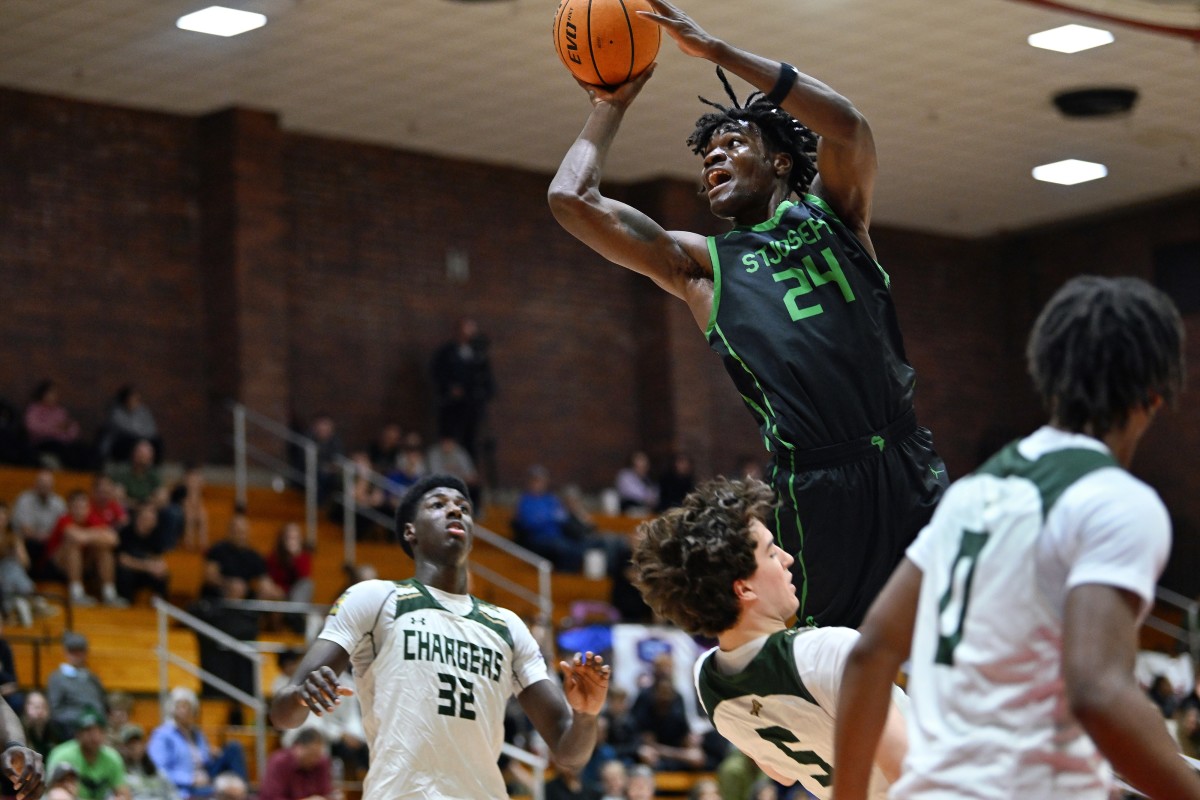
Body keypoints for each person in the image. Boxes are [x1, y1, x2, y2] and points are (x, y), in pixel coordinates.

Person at [549, 0, 945, 628]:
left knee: (956, 645)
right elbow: (571, 199)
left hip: (905, 458)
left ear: (781, 161)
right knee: (826, 662)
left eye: (733, 144)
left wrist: (720, 53)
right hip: (818, 484)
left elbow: (848, 127)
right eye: (706, 156)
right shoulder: (703, 266)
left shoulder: (836, 214)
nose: (713, 159)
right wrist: (609, 106)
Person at [832, 276, 1200, 800]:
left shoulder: (973, 492)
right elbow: (1098, 692)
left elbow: (871, 652)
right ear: (1157, 394)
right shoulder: (1116, 501)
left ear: (1047, 375)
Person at [268, 474, 611, 800]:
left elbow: (570, 753)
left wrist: (586, 715)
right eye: (438, 504)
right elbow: (282, 713)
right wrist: (301, 696)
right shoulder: (373, 599)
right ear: (410, 532)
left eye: (463, 506)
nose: (455, 509)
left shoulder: (507, 625)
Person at [631, 478, 905, 798]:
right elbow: (910, 773)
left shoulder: (708, 683)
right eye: (772, 552)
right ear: (744, 588)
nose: (788, 558)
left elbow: (781, 773)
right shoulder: (827, 653)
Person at [146, 687, 247, 799]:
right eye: (180, 706)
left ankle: (241, 789)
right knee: (226, 793)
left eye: (188, 706)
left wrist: (212, 753)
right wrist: (190, 779)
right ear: (172, 709)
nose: (184, 710)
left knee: (234, 748)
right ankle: (233, 792)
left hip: (205, 774)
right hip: (187, 786)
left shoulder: (197, 733)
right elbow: (158, 770)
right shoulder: (162, 735)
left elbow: (202, 758)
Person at [430, 317, 495, 462]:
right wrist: (450, 389)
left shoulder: (479, 356)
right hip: (452, 408)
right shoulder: (446, 352)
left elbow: (487, 382)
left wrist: (481, 394)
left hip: (472, 409)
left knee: (470, 443)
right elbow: (437, 374)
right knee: (449, 443)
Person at [47, 491, 124, 608]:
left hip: (84, 565)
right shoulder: (64, 520)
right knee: (73, 545)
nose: (80, 510)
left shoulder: (92, 519)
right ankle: (76, 593)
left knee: (104, 549)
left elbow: (114, 539)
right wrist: (98, 534)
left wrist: (88, 535)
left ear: (89, 508)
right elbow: (76, 537)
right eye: (76, 507)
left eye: (83, 507)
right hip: (57, 566)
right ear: (69, 508)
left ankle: (109, 594)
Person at [45, 708, 128, 800]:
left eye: (99, 731)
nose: (94, 736)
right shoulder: (62, 755)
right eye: (88, 730)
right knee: (59, 795)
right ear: (77, 734)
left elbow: (123, 792)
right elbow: (52, 790)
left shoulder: (112, 757)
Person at [47, 633, 109, 734]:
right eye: (72, 651)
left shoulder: (92, 678)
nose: (77, 656)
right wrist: (82, 718)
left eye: (80, 651)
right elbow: (56, 710)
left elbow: (102, 704)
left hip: (97, 725)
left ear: (85, 653)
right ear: (66, 652)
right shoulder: (57, 678)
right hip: (72, 727)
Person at [11, 469, 66, 573]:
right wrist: (45, 537)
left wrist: (51, 538)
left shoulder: (58, 503)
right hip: (28, 543)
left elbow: (63, 527)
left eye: (48, 484)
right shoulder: (24, 500)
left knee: (64, 546)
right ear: (35, 484)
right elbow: (25, 530)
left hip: (50, 544)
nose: (45, 487)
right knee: (31, 545)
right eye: (42, 483)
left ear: (52, 486)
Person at [258, 727, 336, 800]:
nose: (315, 759)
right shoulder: (279, 762)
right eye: (311, 754)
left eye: (318, 755)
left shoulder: (321, 762)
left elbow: (325, 793)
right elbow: (272, 797)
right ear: (298, 748)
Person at [116, 503, 171, 603]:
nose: (151, 521)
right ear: (139, 518)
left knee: (162, 574)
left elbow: (158, 559)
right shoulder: (126, 532)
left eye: (153, 519)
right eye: (147, 518)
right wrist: (147, 567)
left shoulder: (156, 535)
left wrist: (159, 568)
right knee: (124, 573)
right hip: (128, 571)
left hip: (144, 572)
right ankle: (125, 604)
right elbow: (123, 560)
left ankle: (159, 605)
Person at [115, 725, 177, 800]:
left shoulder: (156, 772)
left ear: (144, 744)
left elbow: (173, 794)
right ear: (122, 748)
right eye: (129, 744)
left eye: (138, 743)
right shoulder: (119, 775)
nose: (135, 747)